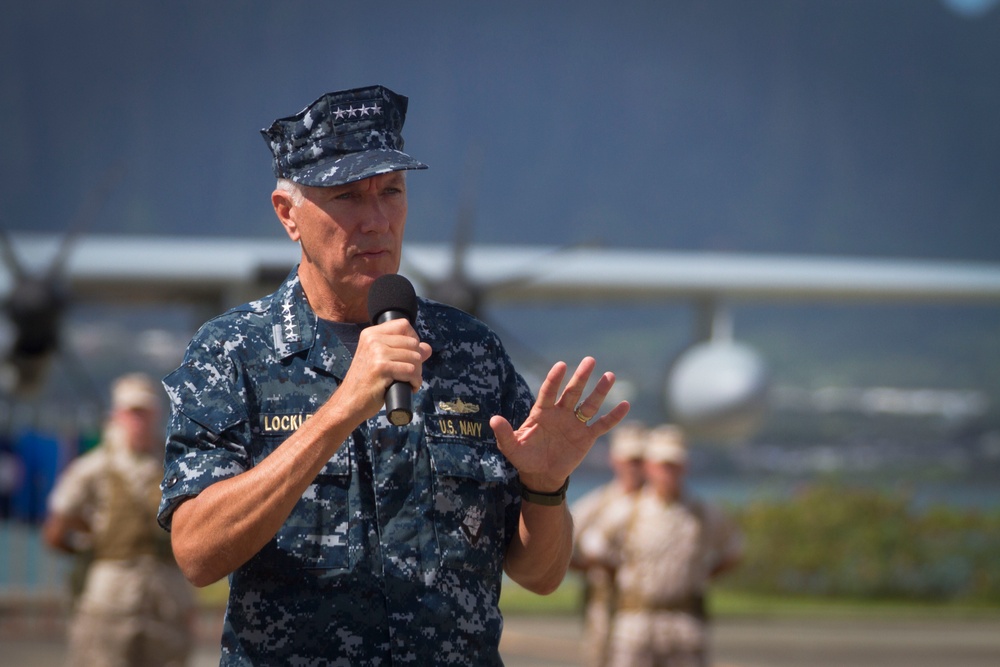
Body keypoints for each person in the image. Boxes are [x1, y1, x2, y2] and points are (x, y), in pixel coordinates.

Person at [156, 84, 630, 665]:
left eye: (391, 191)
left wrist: (547, 488)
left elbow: (541, 575)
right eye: (348, 196)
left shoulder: (470, 351)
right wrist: (339, 410)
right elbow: (197, 553)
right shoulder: (233, 352)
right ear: (289, 215)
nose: (377, 220)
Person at [43, 372, 196, 667]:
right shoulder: (92, 468)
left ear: (157, 415)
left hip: (166, 598)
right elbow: (55, 531)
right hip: (111, 596)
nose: (139, 421)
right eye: (132, 413)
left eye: (145, 413)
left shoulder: (174, 467)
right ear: (117, 415)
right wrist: (90, 549)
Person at [579, 424, 744, 667]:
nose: (669, 472)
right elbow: (592, 547)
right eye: (663, 465)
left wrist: (699, 576)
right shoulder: (626, 508)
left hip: (684, 621)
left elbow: (734, 549)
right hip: (635, 621)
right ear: (650, 467)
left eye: (675, 465)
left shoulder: (701, 512)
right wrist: (620, 578)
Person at [570, 421, 648, 667]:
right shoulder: (596, 504)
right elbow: (563, 551)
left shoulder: (662, 504)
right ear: (615, 460)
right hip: (606, 606)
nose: (635, 467)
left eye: (641, 460)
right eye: (630, 460)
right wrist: (596, 567)